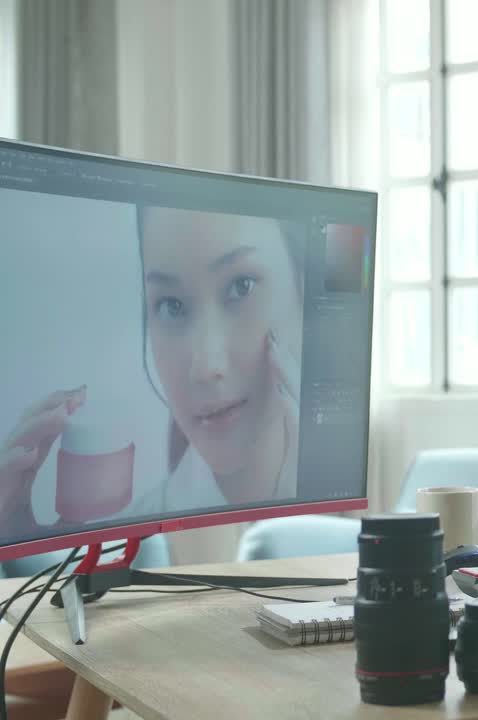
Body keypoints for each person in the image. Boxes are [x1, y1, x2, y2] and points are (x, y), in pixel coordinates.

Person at [0, 206, 305, 532]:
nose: (204, 367)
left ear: (303, 289)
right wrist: (23, 559)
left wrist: (299, 519)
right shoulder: (136, 539)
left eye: (241, 286)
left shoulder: (343, 505)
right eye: (171, 306)